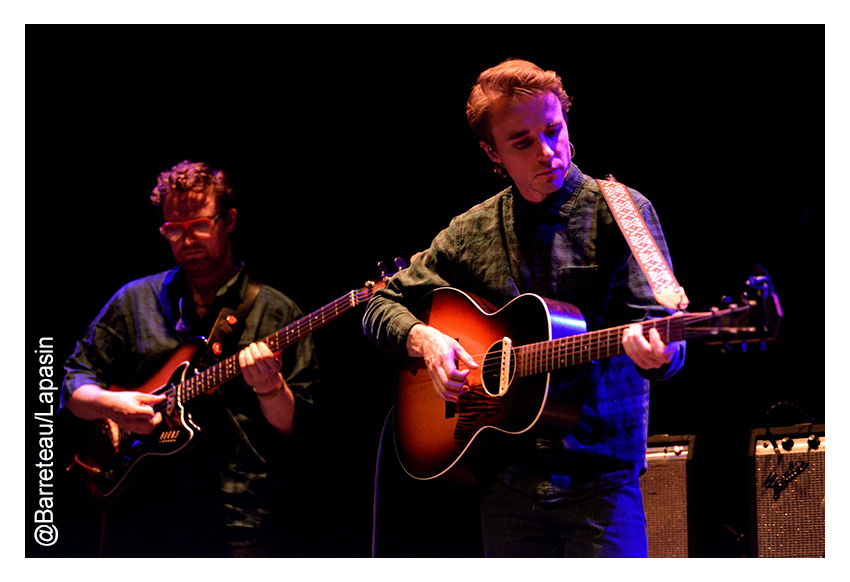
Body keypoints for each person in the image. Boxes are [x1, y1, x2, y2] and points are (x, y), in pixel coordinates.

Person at [362, 59, 686, 558]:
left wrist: (659, 353)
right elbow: (381, 302)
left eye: (554, 131)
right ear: (491, 151)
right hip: (505, 481)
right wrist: (424, 338)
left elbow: (661, 328)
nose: (547, 151)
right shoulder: (473, 229)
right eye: (522, 142)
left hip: (602, 480)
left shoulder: (623, 210)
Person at [60, 160, 320, 557]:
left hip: (239, 516)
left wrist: (270, 387)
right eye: (173, 230)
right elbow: (73, 379)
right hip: (138, 511)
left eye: (199, 224)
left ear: (228, 220)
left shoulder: (277, 311)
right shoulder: (135, 300)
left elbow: (297, 428)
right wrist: (112, 404)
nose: (186, 239)